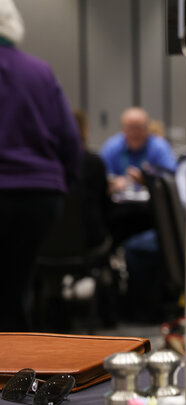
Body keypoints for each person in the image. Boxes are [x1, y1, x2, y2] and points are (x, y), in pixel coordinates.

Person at [0, 0, 83, 331]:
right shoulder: (39, 71)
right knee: (15, 286)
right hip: (39, 197)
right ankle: (20, 370)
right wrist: (63, 186)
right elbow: (70, 140)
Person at [100, 107, 176, 195]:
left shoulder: (159, 147)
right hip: (119, 203)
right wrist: (114, 182)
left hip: (151, 203)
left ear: (147, 128)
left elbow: (171, 177)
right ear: (123, 129)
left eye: (139, 128)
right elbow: (101, 176)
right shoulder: (112, 147)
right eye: (130, 128)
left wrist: (147, 180)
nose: (135, 134)